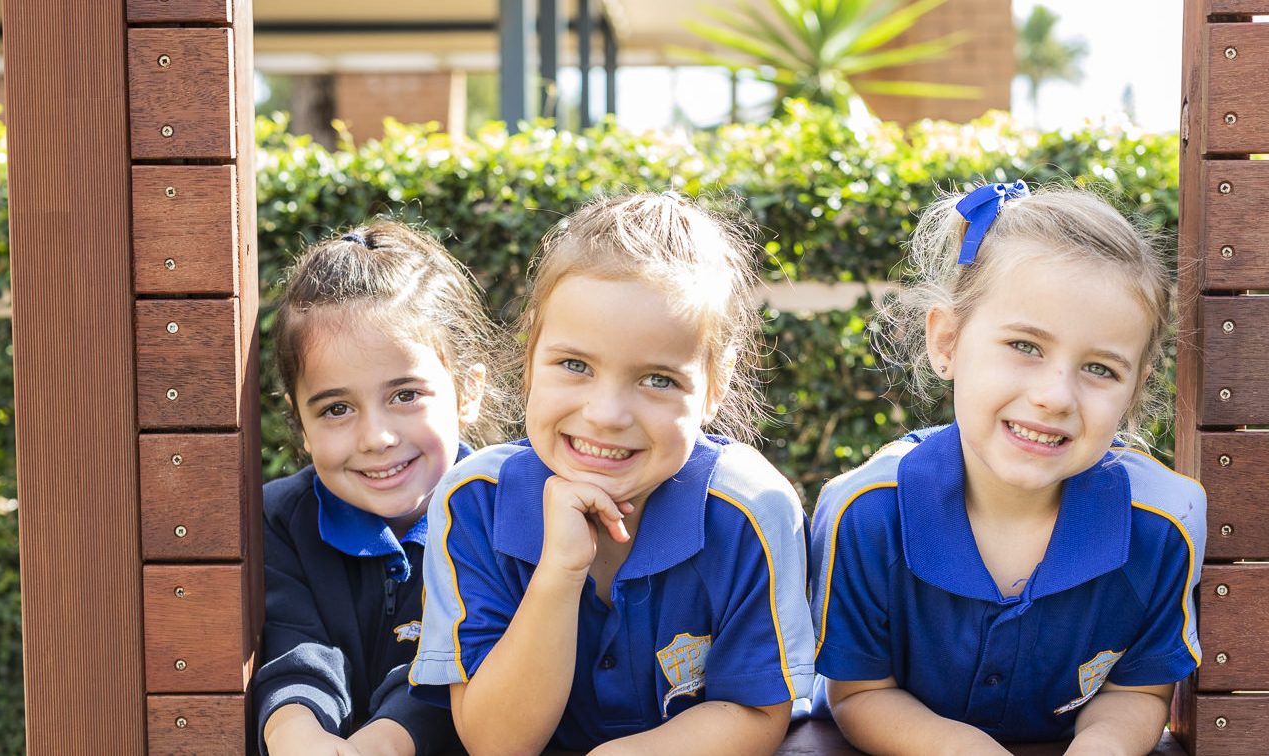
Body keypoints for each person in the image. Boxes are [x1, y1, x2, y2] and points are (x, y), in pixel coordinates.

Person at [409, 192, 815, 754]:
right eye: (575, 365)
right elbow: (496, 741)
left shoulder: (751, 509)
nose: (606, 414)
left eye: (657, 379)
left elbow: (755, 711)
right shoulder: (472, 501)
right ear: (530, 361)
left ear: (714, 389)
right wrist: (560, 570)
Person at [811, 182, 1206, 754]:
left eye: (1100, 368)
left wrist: (1104, 747)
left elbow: (1138, 692)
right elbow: (859, 693)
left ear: (1135, 389)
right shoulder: (867, 513)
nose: (1055, 396)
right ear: (946, 340)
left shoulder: (1161, 526)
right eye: (1025, 346)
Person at [254, 221, 512, 756]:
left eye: (405, 395)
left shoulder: (499, 516)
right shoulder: (279, 519)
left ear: (468, 392)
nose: (377, 438)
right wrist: (294, 735)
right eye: (337, 409)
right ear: (300, 423)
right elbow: (292, 649)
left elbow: (455, 674)